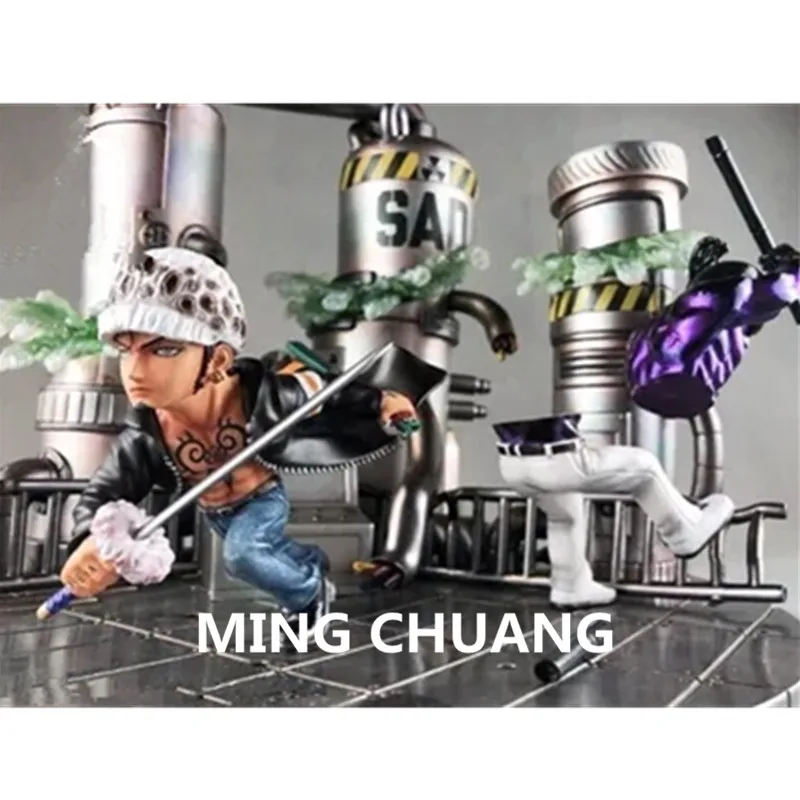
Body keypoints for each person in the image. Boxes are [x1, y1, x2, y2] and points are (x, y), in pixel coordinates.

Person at [59, 246, 419, 647]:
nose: (136, 371)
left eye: (164, 350)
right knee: (255, 552)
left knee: (242, 555)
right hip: (216, 512)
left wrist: (381, 401)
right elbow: (104, 489)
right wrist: (88, 540)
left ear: (217, 360)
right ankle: (305, 563)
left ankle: (309, 595)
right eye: (126, 350)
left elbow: (328, 392)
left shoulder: (263, 395)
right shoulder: (147, 433)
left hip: (261, 497)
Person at [495, 415, 735, 609]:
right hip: (558, 459)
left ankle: (570, 586)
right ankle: (684, 531)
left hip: (513, 466)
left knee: (563, 516)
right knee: (644, 466)